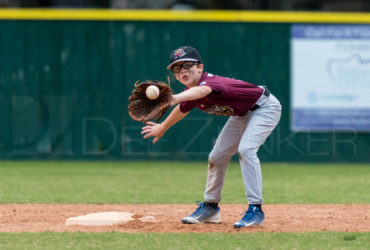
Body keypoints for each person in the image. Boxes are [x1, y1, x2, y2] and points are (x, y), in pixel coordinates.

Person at [141, 46, 282, 228]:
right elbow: (182, 108)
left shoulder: (210, 83)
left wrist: (173, 98)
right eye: (177, 68)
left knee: (246, 150)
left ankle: (255, 210)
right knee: (217, 157)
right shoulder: (190, 91)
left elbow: (201, 92)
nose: (183, 70)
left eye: (188, 65)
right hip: (241, 114)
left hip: (264, 107)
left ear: (200, 67)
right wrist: (163, 127)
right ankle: (210, 208)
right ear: (175, 76)